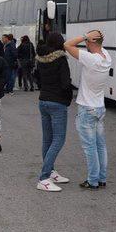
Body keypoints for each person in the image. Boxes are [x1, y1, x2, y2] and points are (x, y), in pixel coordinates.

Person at [64, 30, 111, 190]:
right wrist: (92, 37)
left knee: (90, 147)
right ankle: (102, 178)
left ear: (91, 42)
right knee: (100, 145)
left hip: (87, 108)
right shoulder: (106, 57)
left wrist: (84, 36)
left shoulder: (91, 59)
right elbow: (97, 44)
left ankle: (92, 180)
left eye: (87, 41)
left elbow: (67, 45)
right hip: (99, 107)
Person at [36, 32, 72, 192]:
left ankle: (50, 171)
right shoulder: (61, 59)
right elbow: (66, 83)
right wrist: (67, 99)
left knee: (47, 139)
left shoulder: (40, 58)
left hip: (43, 100)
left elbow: (37, 78)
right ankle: (44, 177)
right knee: (58, 139)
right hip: (57, 102)